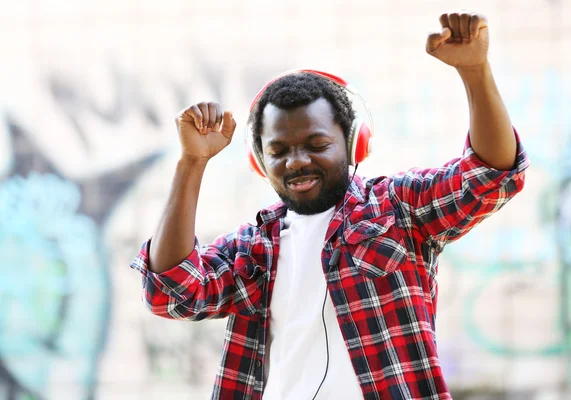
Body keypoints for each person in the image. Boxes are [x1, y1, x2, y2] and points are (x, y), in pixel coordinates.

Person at [130, 11, 529, 400]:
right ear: (259, 161)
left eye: (317, 145)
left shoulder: (398, 209)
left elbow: (490, 176)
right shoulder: (252, 248)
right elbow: (171, 291)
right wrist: (192, 163)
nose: (297, 161)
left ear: (354, 143)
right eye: (279, 151)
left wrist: (475, 72)